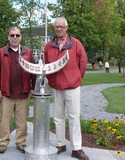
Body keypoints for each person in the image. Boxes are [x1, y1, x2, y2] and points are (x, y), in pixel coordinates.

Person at [44, 17, 89, 160]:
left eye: (61, 27)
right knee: (58, 118)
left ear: (66, 28)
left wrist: (76, 79)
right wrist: (51, 80)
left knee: (74, 117)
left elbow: (83, 62)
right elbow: (46, 65)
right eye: (56, 27)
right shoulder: (49, 46)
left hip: (72, 87)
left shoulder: (75, 44)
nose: (58, 29)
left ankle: (76, 148)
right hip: (56, 87)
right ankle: (60, 144)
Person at [0, 26, 36, 154]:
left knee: (22, 122)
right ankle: (2, 142)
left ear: (21, 37)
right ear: (8, 37)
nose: (15, 37)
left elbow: (34, 70)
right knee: (4, 121)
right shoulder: (1, 52)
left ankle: (21, 143)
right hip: (6, 94)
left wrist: (33, 88)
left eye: (17, 35)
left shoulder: (27, 52)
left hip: (23, 93)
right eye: (12, 35)